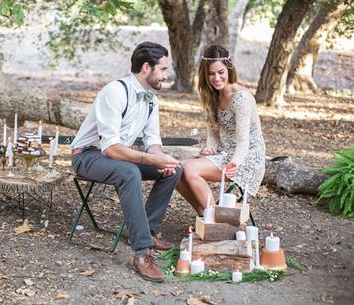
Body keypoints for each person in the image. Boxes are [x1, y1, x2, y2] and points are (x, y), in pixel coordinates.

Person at [70, 41, 183, 282]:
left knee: (174, 170)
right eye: (163, 69)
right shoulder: (116, 91)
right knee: (129, 172)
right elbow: (110, 148)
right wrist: (150, 158)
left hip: (117, 157)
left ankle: (148, 231)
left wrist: (162, 159)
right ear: (146, 68)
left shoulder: (152, 99)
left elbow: (152, 140)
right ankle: (142, 253)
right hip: (87, 156)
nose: (166, 75)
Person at [177, 45, 266, 215]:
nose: (216, 78)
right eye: (211, 74)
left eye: (221, 72)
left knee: (190, 169)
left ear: (229, 69)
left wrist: (236, 161)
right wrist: (210, 148)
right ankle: (206, 215)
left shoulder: (241, 99)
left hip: (245, 158)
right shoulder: (212, 96)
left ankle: (214, 218)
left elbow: (243, 141)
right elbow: (213, 132)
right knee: (177, 171)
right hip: (225, 153)